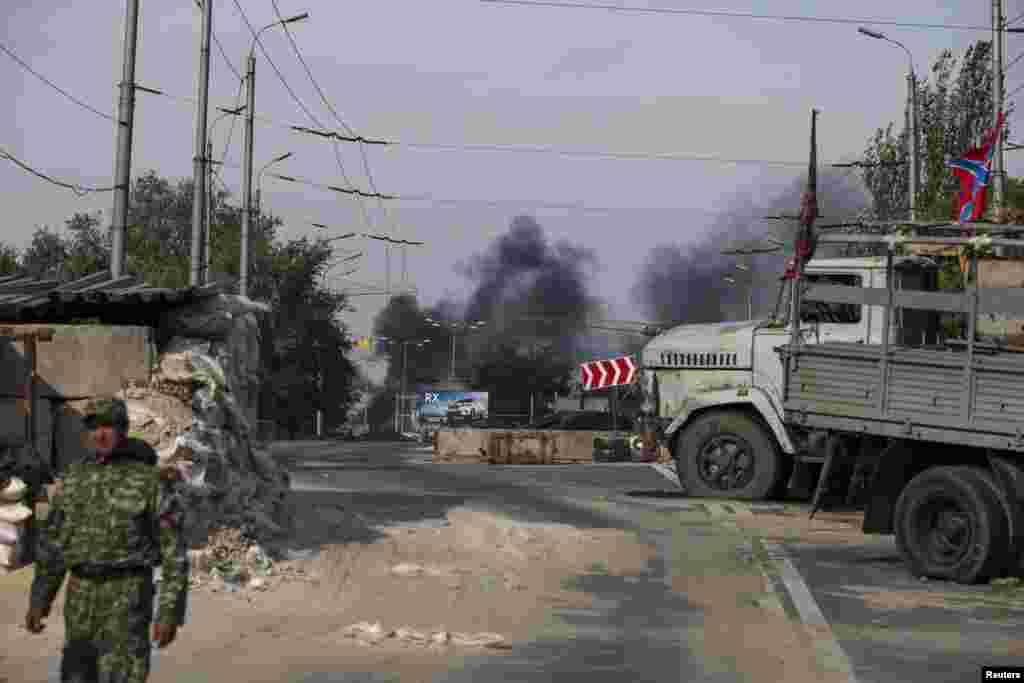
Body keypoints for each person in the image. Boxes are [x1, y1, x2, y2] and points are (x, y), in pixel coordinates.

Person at [25, 397, 190, 683]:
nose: (100, 434)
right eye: (93, 427)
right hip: (80, 597)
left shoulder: (149, 481)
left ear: (123, 430)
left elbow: (174, 552)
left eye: (108, 426)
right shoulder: (74, 478)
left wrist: (169, 612)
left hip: (127, 599)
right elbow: (54, 543)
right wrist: (40, 598)